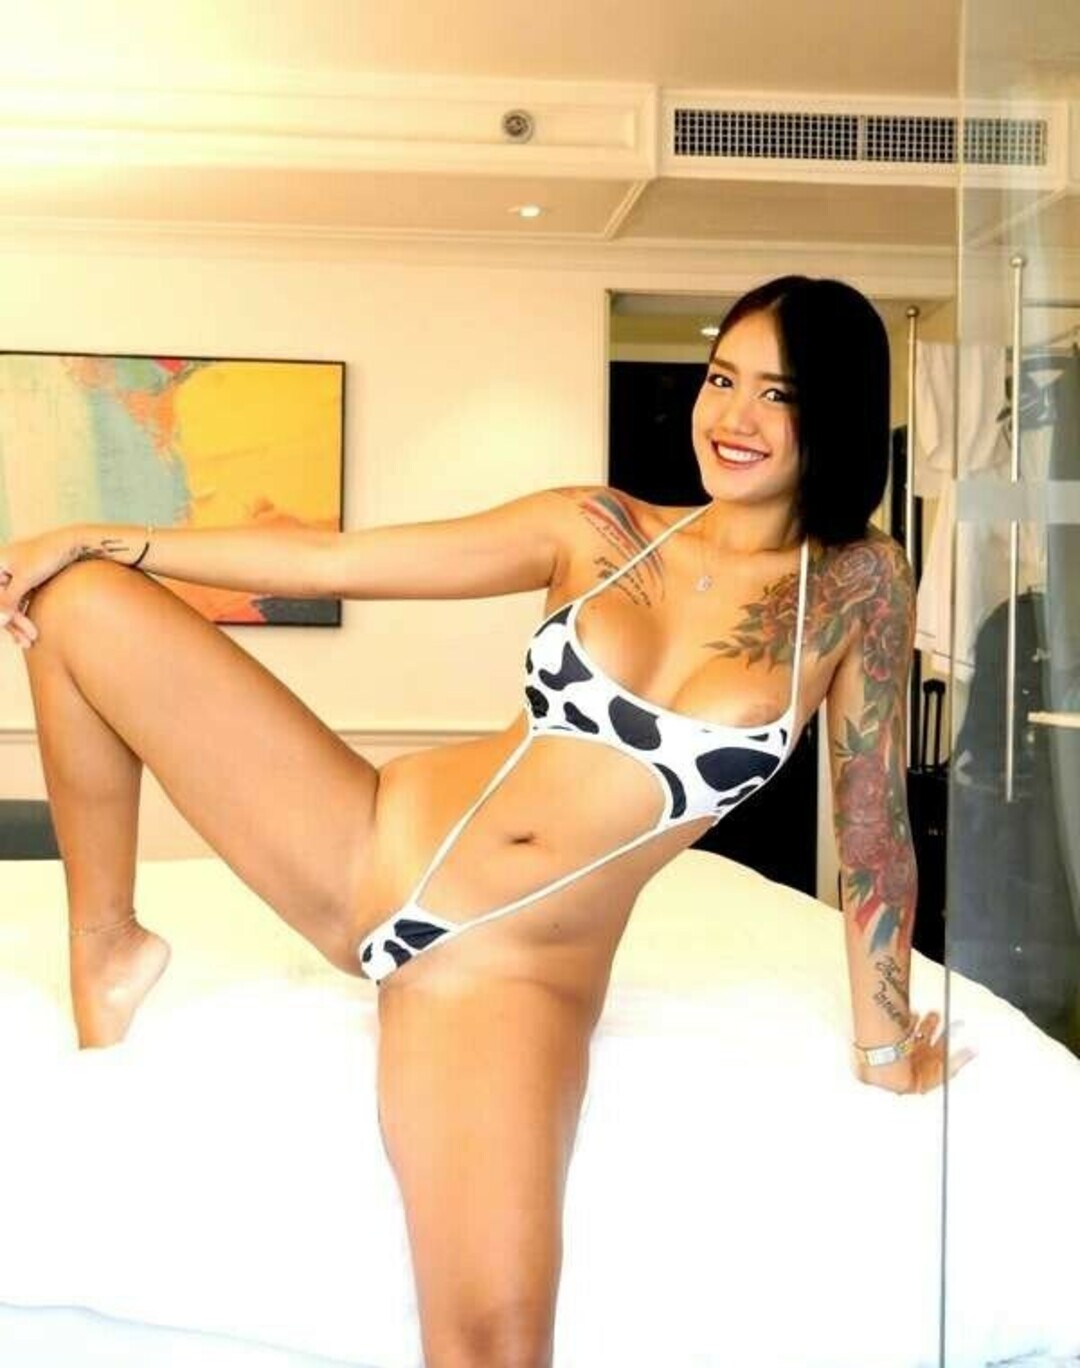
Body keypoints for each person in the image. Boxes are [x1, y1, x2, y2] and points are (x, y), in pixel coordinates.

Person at [0, 275, 971, 1368]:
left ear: (834, 414)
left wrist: (885, 1046)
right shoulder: (599, 527)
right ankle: (108, 944)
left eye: (777, 393)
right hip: (364, 835)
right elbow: (336, 560)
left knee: (494, 1341)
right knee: (78, 598)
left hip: (509, 971)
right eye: (721, 379)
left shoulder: (858, 586)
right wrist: (102, 535)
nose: (733, 417)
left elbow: (873, 821)